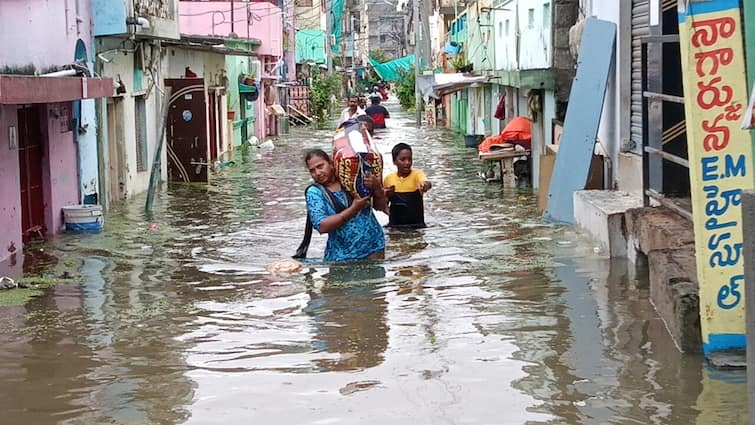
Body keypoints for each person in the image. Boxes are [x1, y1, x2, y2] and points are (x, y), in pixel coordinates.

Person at [295, 149, 386, 261]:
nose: (317, 173)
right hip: (342, 258)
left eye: (320, 166)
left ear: (331, 163)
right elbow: (322, 226)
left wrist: (377, 187)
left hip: (375, 248)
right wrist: (354, 209)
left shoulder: (351, 178)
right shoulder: (315, 192)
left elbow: (380, 207)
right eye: (312, 171)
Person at [383, 143, 432, 228]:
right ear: (394, 161)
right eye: (403, 160)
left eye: (410, 159)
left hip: (417, 227)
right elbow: (384, 205)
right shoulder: (388, 179)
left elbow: (427, 183)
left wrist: (425, 185)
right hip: (395, 227)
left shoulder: (417, 175)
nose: (407, 163)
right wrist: (386, 195)